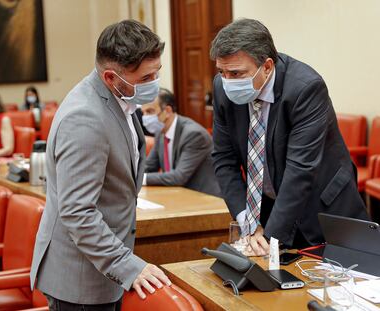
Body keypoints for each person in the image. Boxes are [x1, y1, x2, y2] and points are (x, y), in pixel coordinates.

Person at [30, 20, 171, 310]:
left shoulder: (118, 96)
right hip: (81, 281)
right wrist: (126, 265)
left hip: (101, 269)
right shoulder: (85, 118)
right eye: (146, 78)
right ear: (110, 77)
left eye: (157, 73)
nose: (154, 84)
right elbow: (77, 211)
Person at [210, 18, 368, 256]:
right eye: (222, 72)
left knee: (342, 282)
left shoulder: (305, 88)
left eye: (236, 73)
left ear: (267, 66)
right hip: (270, 206)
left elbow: (301, 169)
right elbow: (223, 158)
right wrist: (249, 224)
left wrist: (269, 239)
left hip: (324, 205)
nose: (228, 81)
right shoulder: (222, 88)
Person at [141, 88, 221, 197]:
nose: (145, 117)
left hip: (205, 199)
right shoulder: (161, 132)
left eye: (150, 111)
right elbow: (148, 166)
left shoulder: (194, 134)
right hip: (179, 195)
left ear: (167, 111)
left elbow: (179, 177)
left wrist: (141, 178)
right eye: (143, 113)